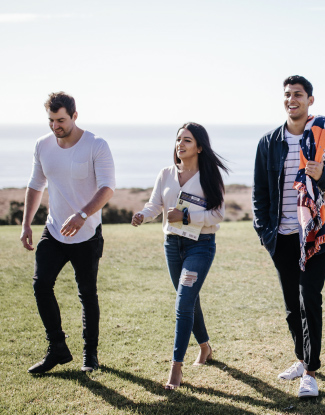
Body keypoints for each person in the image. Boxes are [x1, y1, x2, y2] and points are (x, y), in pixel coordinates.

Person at [252, 75, 325, 398]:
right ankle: (301, 357)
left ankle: (310, 372)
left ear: (311, 100)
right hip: (281, 236)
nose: (291, 99)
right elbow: (260, 194)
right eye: (287, 94)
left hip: (315, 235)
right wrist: (266, 234)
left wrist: (322, 174)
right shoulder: (268, 143)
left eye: (298, 94)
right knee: (290, 308)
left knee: (309, 298)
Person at [21, 91, 115, 374]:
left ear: (74, 116)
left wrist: (82, 214)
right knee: (41, 285)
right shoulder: (42, 145)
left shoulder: (96, 145)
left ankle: (90, 355)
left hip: (86, 233)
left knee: (87, 293)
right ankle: (57, 348)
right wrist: (26, 223)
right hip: (54, 230)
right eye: (51, 120)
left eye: (61, 120)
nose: (55, 126)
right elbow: (36, 185)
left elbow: (107, 188)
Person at [130, 122, 228, 390]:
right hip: (172, 246)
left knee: (183, 302)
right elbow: (154, 205)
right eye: (178, 140)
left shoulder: (210, 175)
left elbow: (218, 214)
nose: (180, 144)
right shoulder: (165, 173)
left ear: (199, 146)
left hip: (200, 245)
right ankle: (205, 347)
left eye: (187, 140)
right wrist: (143, 215)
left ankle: (176, 368)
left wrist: (185, 216)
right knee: (189, 300)